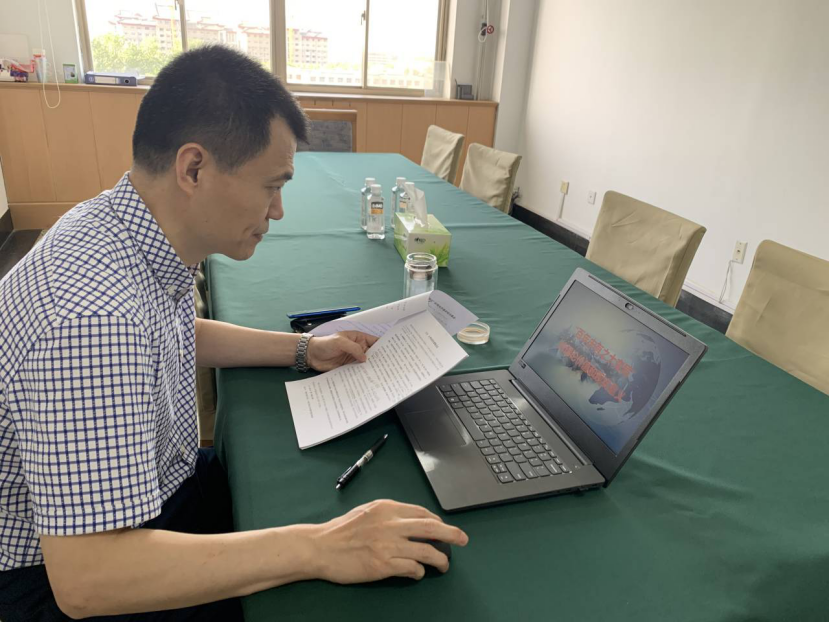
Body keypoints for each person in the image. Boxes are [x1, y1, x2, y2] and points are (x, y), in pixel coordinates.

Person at [0, 45, 468, 622]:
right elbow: (89, 580)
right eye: (271, 186)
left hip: (157, 488)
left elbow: (171, 331)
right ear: (193, 169)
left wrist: (304, 348)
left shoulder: (119, 229)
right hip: (61, 578)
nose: (278, 211)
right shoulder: (92, 321)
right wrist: (321, 548)